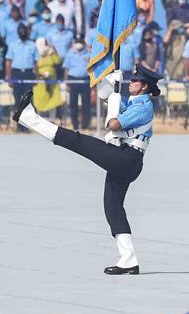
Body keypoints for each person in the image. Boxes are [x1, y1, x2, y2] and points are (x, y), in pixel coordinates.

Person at [12, 66, 161, 275]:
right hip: (124, 157)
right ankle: (129, 259)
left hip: (127, 159)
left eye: (134, 81)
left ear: (144, 86)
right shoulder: (134, 102)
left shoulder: (143, 106)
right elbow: (110, 103)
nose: (131, 82)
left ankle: (28, 118)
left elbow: (113, 124)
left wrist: (116, 97)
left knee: (78, 141)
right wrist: (112, 88)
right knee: (113, 208)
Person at [5, 24, 39, 126]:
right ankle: (19, 125)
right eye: (21, 31)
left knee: (28, 101)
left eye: (24, 31)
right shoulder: (13, 44)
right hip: (16, 73)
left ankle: (28, 125)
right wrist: (8, 77)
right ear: (18, 33)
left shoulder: (32, 45)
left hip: (28, 73)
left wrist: (36, 77)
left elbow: (36, 62)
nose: (22, 33)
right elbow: (8, 62)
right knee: (17, 100)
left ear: (27, 32)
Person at [63, 38, 92, 130]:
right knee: (72, 104)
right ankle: (75, 125)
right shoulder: (70, 53)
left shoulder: (88, 53)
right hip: (73, 80)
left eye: (80, 42)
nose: (79, 44)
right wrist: (67, 82)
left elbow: (93, 68)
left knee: (86, 104)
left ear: (84, 43)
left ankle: (85, 125)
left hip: (85, 80)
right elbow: (66, 69)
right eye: (77, 42)